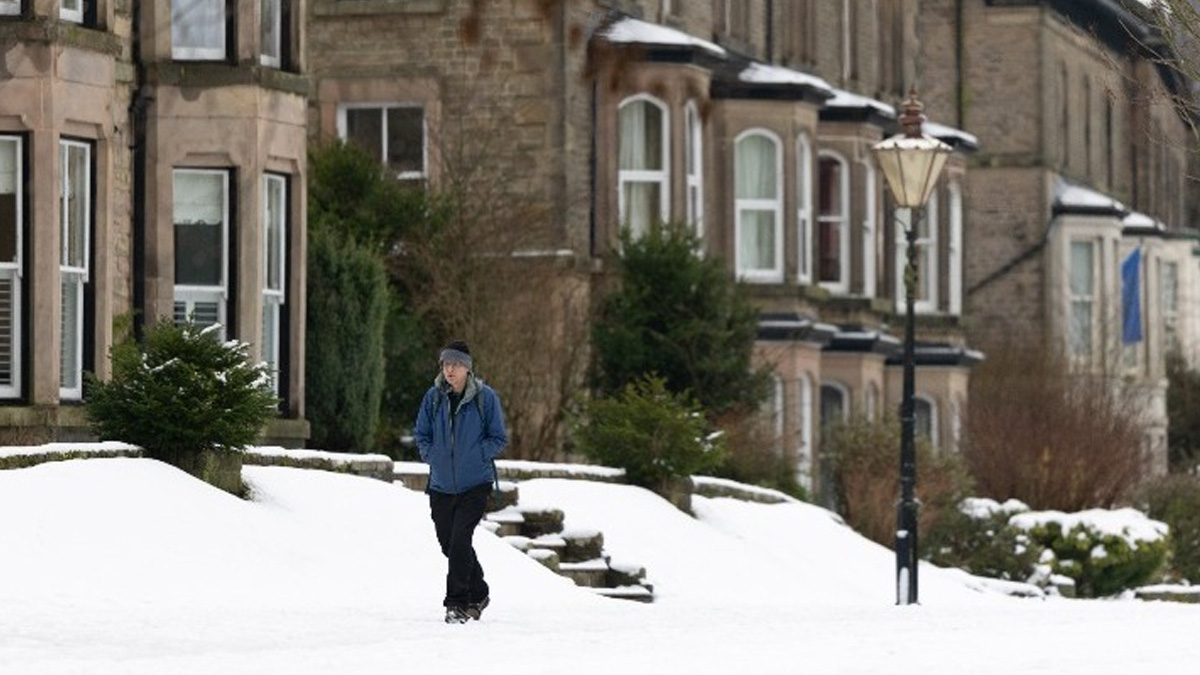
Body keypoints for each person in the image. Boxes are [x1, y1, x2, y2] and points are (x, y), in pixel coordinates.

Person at [413, 340, 507, 624]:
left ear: (467, 368)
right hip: (441, 485)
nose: (449, 370)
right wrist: (433, 457)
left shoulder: (485, 398)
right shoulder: (433, 397)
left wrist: (478, 456)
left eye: (455, 365)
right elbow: (422, 433)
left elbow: (498, 437)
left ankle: (456, 603)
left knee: (460, 539)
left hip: (475, 484)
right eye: (445, 364)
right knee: (449, 544)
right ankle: (479, 591)